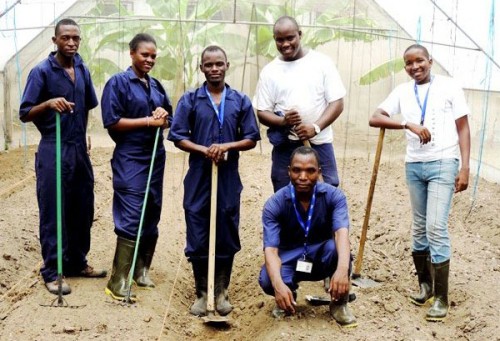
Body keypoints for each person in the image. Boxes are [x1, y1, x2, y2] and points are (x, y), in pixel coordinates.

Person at [369, 44, 471, 321]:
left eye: (420, 61)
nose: (415, 67)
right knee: (419, 227)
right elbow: (374, 117)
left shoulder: (449, 87)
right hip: (414, 165)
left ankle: (441, 297)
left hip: (443, 162)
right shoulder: (403, 91)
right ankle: (425, 285)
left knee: (436, 227)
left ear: (430, 61)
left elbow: (463, 127)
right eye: (409, 63)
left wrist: (465, 167)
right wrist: (407, 124)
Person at [168, 45, 261, 316]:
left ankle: (221, 292)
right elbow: (177, 136)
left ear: (227, 65)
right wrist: (204, 149)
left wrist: (227, 147)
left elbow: (252, 138)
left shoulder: (240, 100)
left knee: (226, 227)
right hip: (199, 175)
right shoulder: (190, 99)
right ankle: (202, 292)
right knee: (197, 227)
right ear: (201, 68)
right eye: (208, 65)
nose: (214, 69)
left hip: (228, 177)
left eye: (219, 64)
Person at [19, 18, 106, 295]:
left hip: (79, 147)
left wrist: (84, 134)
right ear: (54, 40)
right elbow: (25, 112)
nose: (71, 43)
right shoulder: (41, 71)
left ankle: (77, 262)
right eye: (65, 38)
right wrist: (47, 103)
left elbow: (88, 105)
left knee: (82, 207)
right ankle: (52, 270)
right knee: (54, 209)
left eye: (75, 38)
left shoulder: (82, 68)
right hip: (53, 147)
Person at [101, 33, 172, 302]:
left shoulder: (156, 86)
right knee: (131, 212)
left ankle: (141, 270)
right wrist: (147, 121)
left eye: (153, 56)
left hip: (155, 155)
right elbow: (112, 121)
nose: (150, 60)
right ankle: (117, 280)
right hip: (130, 157)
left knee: (152, 209)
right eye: (145, 54)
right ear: (132, 53)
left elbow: (169, 117)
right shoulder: (118, 83)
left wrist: (163, 117)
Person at [258, 146, 357, 327]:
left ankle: (339, 303)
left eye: (310, 171)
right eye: (297, 170)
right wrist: (278, 286)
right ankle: (288, 294)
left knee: (338, 250)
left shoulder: (334, 197)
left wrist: (343, 270)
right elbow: (271, 250)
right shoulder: (275, 204)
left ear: (319, 172)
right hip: (291, 258)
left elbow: (341, 234)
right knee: (267, 279)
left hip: (321, 255)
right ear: (289, 172)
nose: (303, 177)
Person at [254, 15, 346, 193]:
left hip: (319, 142)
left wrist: (315, 127)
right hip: (286, 145)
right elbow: (262, 111)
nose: (286, 44)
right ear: (274, 40)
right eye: (280, 40)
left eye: (290, 38)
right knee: (283, 192)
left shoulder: (321, 63)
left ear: (300, 35)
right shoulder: (270, 72)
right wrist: (283, 122)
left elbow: (337, 103)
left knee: (327, 190)